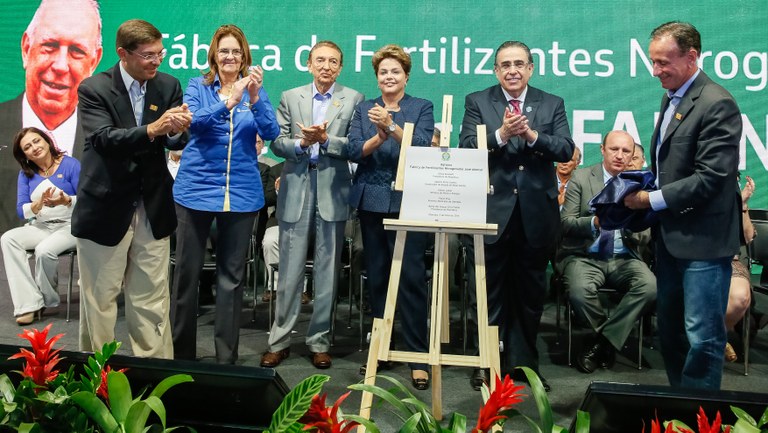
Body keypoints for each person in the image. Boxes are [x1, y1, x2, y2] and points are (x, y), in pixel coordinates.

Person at [624, 21, 742, 389]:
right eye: (652, 62)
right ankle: (680, 410)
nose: (656, 71)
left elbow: (711, 178)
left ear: (691, 57)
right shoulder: (671, 96)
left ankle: (700, 419)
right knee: (672, 333)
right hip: (671, 239)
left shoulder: (717, 103)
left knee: (703, 338)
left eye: (663, 63)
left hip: (704, 243)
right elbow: (670, 168)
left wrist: (649, 198)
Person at [459, 40, 575, 391]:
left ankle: (523, 365)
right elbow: (466, 146)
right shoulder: (478, 101)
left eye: (519, 64)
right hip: (490, 212)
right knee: (488, 292)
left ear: (530, 68)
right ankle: (486, 362)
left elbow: (566, 148)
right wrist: (501, 135)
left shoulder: (551, 103)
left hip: (536, 216)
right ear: (496, 70)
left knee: (529, 294)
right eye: (505, 64)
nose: (512, 70)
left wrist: (531, 135)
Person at [73, 19, 192, 359]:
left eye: (160, 54)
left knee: (152, 300)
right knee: (100, 301)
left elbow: (176, 138)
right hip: (105, 206)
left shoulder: (168, 85)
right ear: (122, 54)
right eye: (148, 56)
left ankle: (155, 379)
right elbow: (103, 139)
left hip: (152, 207)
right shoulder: (93, 88)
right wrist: (154, 129)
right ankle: (96, 380)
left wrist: (175, 131)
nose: (156, 62)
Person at [171, 24, 279, 364]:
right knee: (186, 276)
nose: (230, 57)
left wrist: (255, 99)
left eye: (236, 51)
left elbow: (272, 132)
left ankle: (226, 360)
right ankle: (182, 355)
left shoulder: (255, 91)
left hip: (242, 194)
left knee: (232, 280)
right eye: (224, 51)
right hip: (195, 191)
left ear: (244, 56)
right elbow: (193, 124)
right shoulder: (196, 86)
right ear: (214, 56)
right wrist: (228, 103)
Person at [260, 40, 363, 370]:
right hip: (297, 187)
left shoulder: (353, 99)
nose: (326, 67)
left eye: (334, 61)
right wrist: (304, 142)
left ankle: (319, 341)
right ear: (308, 63)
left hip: (333, 188)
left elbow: (356, 146)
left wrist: (326, 141)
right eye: (320, 60)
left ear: (340, 67)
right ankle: (279, 341)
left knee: (327, 272)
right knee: (289, 273)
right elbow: (277, 141)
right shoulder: (292, 96)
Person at [349, 44, 434, 390]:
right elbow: (355, 149)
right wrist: (378, 135)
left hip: (410, 201)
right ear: (377, 77)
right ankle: (381, 349)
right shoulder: (363, 108)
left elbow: (425, 147)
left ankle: (417, 355)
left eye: (395, 71)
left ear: (406, 75)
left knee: (412, 278)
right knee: (379, 277)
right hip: (371, 199)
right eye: (383, 72)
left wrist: (393, 127)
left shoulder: (421, 107)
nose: (389, 77)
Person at [0, 0, 102, 234]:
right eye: (50, 45)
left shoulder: (103, 136)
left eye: (76, 51)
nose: (60, 65)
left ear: (94, 61)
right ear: (26, 48)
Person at [559, 130, 657, 374]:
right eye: (614, 149)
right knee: (580, 292)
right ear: (602, 150)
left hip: (624, 257)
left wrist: (630, 224)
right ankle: (610, 340)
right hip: (585, 256)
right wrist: (595, 223)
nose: (620, 156)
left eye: (626, 151)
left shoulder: (640, 184)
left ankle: (601, 343)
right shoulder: (581, 178)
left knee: (650, 286)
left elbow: (647, 233)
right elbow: (565, 223)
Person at [0, 127, 79, 325]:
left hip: (71, 225)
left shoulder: (70, 165)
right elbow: (21, 210)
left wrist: (67, 200)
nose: (34, 147)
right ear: (24, 155)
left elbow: (89, 198)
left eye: (36, 141)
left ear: (47, 141)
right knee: (8, 239)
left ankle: (44, 300)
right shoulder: (26, 174)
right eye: (27, 147)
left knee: (44, 250)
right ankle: (28, 304)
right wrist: (33, 207)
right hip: (42, 225)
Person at [724, 175, 756, 362]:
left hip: (732, 261)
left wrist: (742, 205)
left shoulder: (738, 206)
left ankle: (717, 336)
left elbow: (749, 237)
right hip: (700, 258)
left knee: (739, 297)